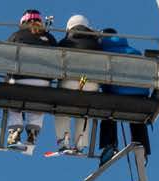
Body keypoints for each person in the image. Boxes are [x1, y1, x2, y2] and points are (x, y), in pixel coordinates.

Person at [97, 27, 151, 167]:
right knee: (137, 117)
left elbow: (101, 78)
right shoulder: (135, 51)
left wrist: (106, 89)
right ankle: (142, 148)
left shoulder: (102, 52)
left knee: (107, 112)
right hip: (141, 97)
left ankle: (109, 144)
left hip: (117, 96)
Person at [5, 9, 57, 150]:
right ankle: (33, 131)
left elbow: (6, 59)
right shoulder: (49, 38)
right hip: (42, 82)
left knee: (13, 102)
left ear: (23, 23)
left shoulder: (16, 36)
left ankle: (14, 132)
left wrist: (8, 78)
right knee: (38, 101)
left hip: (20, 81)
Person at [55, 14, 101, 154]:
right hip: (89, 82)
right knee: (85, 109)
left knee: (61, 107)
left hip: (70, 82)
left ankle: (64, 139)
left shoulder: (64, 42)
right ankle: (81, 142)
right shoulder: (97, 44)